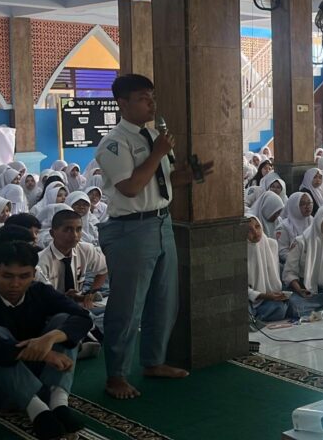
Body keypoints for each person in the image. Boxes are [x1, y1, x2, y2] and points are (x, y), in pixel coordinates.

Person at [94, 74, 213, 400]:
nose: (151, 103)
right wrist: (158, 153)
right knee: (127, 306)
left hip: (161, 223)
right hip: (130, 229)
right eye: (143, 98)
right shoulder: (114, 143)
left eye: (152, 97)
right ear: (123, 103)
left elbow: (162, 180)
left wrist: (189, 175)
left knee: (164, 299)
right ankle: (116, 376)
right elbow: (130, 187)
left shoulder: (153, 136)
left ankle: (153, 361)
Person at [0, 241, 93, 439]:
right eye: (7, 276)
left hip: (32, 378)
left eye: (23, 276)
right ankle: (38, 410)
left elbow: (83, 317)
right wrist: (43, 354)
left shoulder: (40, 292)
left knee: (63, 321)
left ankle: (58, 402)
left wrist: (50, 338)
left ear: (33, 275)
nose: (15, 284)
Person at [37, 210, 107, 310]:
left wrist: (91, 293)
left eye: (78, 229)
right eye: (67, 230)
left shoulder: (85, 249)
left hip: (78, 302)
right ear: (52, 233)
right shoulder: (41, 261)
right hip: (52, 308)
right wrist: (66, 298)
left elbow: (103, 270)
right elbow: (43, 298)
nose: (75, 235)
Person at [245, 213, 290, 323]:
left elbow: (275, 279)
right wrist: (263, 295)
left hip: (270, 297)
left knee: (282, 308)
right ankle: (253, 317)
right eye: (249, 230)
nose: (255, 232)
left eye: (257, 227)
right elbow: (240, 289)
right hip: (250, 298)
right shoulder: (240, 251)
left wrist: (276, 295)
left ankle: (255, 318)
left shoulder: (271, 245)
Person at [274, 192, 314, 263]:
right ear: (294, 206)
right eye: (303, 204)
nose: (308, 206)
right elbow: (282, 252)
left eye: (309, 203)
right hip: (292, 265)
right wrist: (301, 260)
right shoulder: (284, 227)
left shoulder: (313, 221)